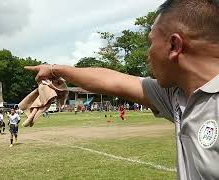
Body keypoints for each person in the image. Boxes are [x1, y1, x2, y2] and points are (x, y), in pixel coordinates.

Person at [25, 1, 219, 178]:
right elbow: (113, 81)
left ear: (174, 45)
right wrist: (53, 70)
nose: (148, 55)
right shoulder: (177, 95)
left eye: (151, 42)